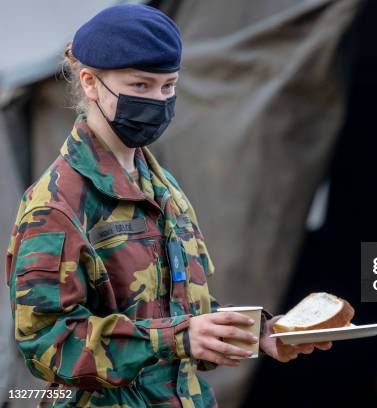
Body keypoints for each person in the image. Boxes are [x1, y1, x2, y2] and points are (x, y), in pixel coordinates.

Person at [4, 4, 331, 407]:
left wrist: (255, 333)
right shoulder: (57, 204)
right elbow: (47, 344)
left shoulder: (161, 186)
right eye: (141, 86)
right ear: (90, 82)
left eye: (168, 86)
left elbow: (180, 309)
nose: (159, 101)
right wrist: (180, 337)